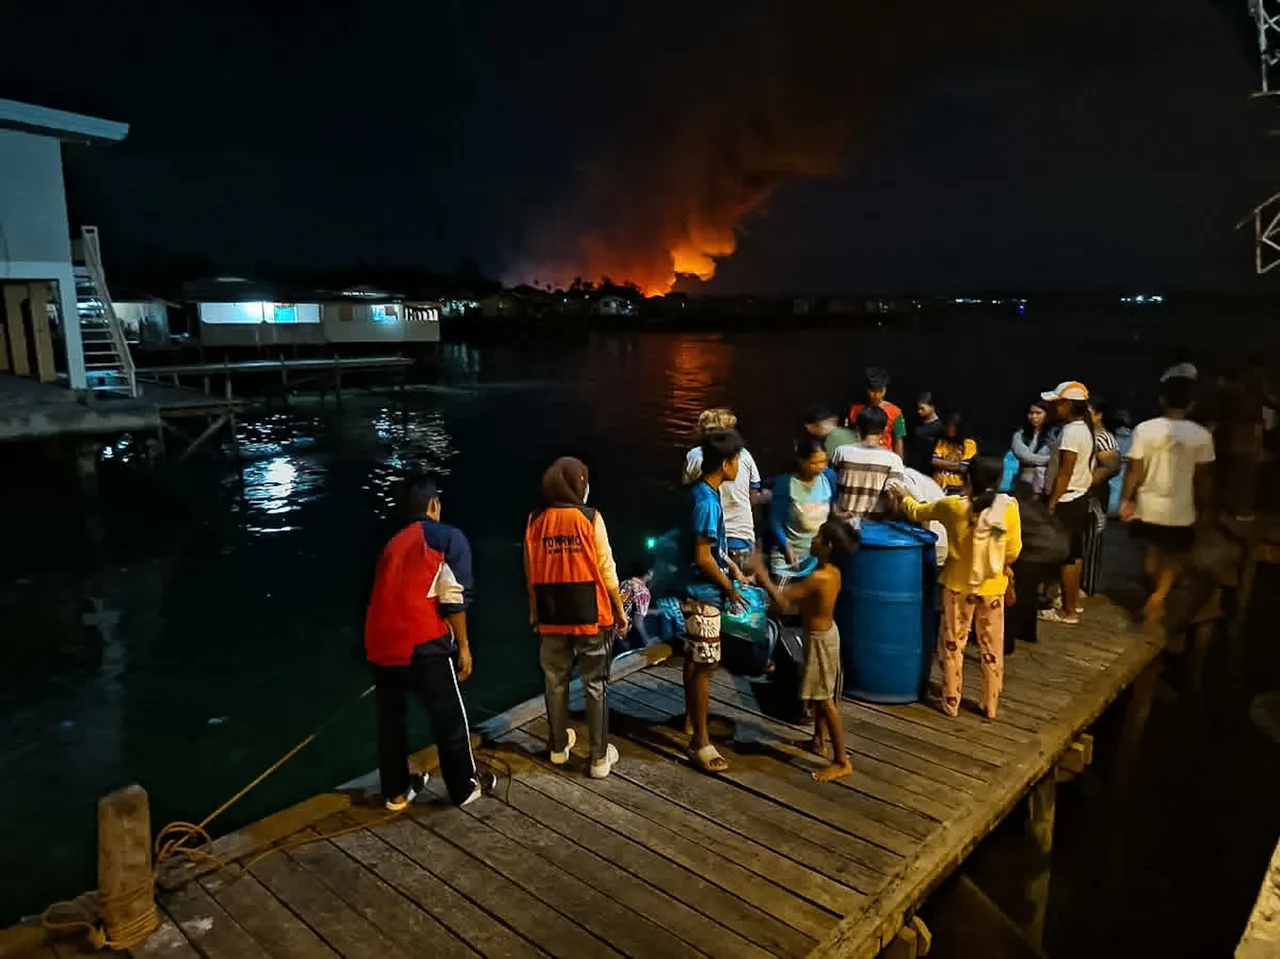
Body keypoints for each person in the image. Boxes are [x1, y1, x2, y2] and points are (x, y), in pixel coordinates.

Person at [364, 475, 483, 810]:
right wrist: (463, 645)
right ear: (434, 505)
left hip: (381, 644)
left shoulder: (391, 545)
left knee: (391, 723)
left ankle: (396, 792)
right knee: (449, 718)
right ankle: (464, 787)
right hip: (423, 641)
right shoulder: (447, 537)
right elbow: (454, 596)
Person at [524, 457, 629, 778]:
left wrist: (533, 611)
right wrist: (620, 611)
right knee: (595, 684)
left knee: (555, 682)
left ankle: (557, 747)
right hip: (591, 614)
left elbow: (530, 571)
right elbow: (607, 571)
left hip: (551, 613)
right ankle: (598, 758)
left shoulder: (535, 520)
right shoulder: (590, 518)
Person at [895, 458, 1021, 719]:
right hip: (992, 588)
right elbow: (1013, 551)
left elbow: (918, 512)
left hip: (957, 587)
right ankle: (990, 705)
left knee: (952, 645)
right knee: (991, 647)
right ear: (998, 480)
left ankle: (951, 701)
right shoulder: (1007, 509)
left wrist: (902, 494)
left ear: (969, 479)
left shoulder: (953, 506)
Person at [752, 519, 861, 782]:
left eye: (818, 538)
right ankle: (818, 741)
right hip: (823, 635)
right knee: (820, 691)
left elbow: (783, 598)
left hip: (820, 640)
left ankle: (841, 760)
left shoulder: (820, 578)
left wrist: (761, 572)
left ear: (828, 547)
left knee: (824, 699)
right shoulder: (832, 571)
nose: (812, 540)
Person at [1120, 376, 1215, 624]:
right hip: (1181, 506)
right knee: (1173, 556)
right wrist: (1203, 507)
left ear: (1162, 401)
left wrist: (1126, 499)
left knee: (1150, 554)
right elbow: (1203, 479)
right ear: (1192, 405)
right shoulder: (1201, 435)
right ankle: (1159, 597)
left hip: (1148, 504)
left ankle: (1156, 594)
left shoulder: (1144, 429)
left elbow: (1134, 470)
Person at [681, 429, 749, 774]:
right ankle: (701, 743)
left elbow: (712, 549)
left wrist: (733, 567)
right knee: (706, 667)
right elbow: (703, 556)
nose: (739, 466)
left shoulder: (700, 492)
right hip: (703, 593)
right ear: (725, 463)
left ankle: (692, 723)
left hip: (697, 590)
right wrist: (730, 587)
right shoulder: (708, 501)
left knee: (694, 662)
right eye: (737, 460)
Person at [1041, 381, 1095, 626]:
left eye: (1057, 403)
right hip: (1079, 497)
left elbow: (1065, 471)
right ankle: (1072, 603)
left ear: (1068, 405)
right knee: (1074, 554)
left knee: (1066, 557)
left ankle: (1068, 610)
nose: (1053, 408)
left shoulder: (1072, 432)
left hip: (1068, 498)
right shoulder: (1083, 428)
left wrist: (1051, 503)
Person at [683, 408, 764, 570]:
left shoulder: (694, 456)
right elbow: (753, 498)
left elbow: (689, 494)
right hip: (742, 538)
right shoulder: (744, 455)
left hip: (711, 539)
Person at [769, 434, 837, 580]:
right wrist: (786, 546)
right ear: (801, 461)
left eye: (823, 462)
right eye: (814, 463)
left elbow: (832, 510)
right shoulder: (785, 484)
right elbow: (775, 520)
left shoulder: (828, 478)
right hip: (788, 559)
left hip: (816, 558)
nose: (820, 467)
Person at [831, 406, 906, 524]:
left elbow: (829, 486)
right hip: (874, 528)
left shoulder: (841, 452)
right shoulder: (893, 460)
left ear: (858, 427)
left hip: (842, 527)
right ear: (885, 429)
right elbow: (892, 498)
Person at [1081, 398, 1122, 597]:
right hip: (1080, 495)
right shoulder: (1083, 434)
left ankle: (1086, 586)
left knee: (1091, 538)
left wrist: (1088, 482)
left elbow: (1112, 466)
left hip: (1093, 496)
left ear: (1098, 414)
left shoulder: (1103, 437)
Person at [848, 366, 906, 457]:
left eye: (880, 391)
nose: (877, 395)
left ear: (885, 389)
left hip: (886, 457)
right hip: (861, 455)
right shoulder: (855, 410)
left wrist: (899, 463)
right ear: (866, 389)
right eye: (873, 391)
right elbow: (853, 436)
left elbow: (898, 440)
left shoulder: (895, 412)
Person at [1011, 399, 1052, 493]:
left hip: (1045, 483)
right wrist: (1048, 460)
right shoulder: (1020, 434)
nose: (1034, 416)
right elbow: (1024, 456)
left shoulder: (1054, 434)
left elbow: (1057, 455)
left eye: (1038, 413)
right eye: (1031, 413)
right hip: (1024, 482)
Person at [932, 412, 978, 495]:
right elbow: (934, 461)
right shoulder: (942, 441)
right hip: (937, 485)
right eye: (947, 427)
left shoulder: (969, 443)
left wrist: (942, 463)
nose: (948, 430)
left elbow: (964, 467)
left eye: (951, 428)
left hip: (957, 487)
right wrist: (957, 465)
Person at [909, 392, 944, 474]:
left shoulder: (941, 427)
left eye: (922, 408)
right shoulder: (914, 424)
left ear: (932, 407)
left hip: (931, 471)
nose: (919, 411)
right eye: (918, 409)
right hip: (914, 470)